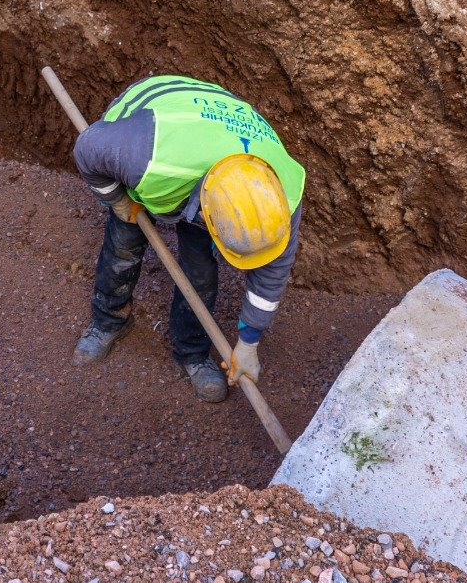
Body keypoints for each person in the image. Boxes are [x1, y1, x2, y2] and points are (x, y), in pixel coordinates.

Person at [71, 74, 306, 402]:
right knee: (124, 245)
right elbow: (88, 149)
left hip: (217, 129)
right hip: (149, 115)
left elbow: (271, 276)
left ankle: (192, 354)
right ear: (205, 210)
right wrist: (119, 200)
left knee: (200, 272)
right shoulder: (144, 158)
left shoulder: (280, 197)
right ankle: (109, 320)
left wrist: (248, 342)